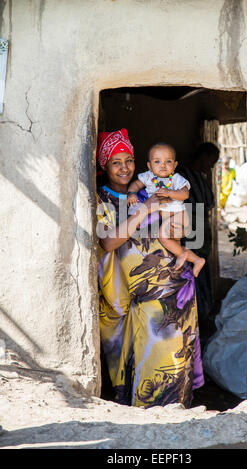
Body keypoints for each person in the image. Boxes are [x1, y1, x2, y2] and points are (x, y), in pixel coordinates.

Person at [96, 129, 204, 408]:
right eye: (115, 162)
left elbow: (181, 229)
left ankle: (172, 418)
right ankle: (142, 420)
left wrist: (183, 240)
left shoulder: (151, 188)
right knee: (143, 364)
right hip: (130, 296)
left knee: (173, 362)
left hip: (172, 287)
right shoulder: (100, 200)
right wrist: (145, 210)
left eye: (128, 161)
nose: (124, 168)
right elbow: (108, 242)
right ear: (104, 166)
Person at [127, 143, 206, 277]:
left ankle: (183, 254)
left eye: (168, 161)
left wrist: (170, 193)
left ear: (174, 165)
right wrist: (131, 193)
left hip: (178, 216)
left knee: (163, 237)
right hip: (166, 218)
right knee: (173, 244)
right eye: (157, 161)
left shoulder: (176, 179)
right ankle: (197, 260)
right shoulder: (148, 177)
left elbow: (185, 194)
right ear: (149, 165)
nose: (163, 165)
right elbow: (135, 184)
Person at [178, 142, 219, 339]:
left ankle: (203, 315)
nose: (209, 167)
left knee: (201, 270)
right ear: (202, 156)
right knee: (192, 272)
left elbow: (209, 203)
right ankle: (196, 316)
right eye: (209, 162)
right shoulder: (182, 175)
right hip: (189, 232)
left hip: (200, 232)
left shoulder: (201, 179)